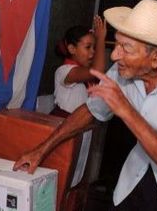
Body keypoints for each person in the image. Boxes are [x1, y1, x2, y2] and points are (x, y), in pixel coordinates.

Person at [14, 0, 157, 211]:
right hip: (140, 172)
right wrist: (41, 150)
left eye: (126, 48)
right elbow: (89, 111)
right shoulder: (122, 72)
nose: (114, 55)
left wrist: (125, 109)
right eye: (117, 44)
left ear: (156, 57)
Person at [51, 16, 106, 189]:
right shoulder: (64, 71)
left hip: (81, 131)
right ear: (72, 48)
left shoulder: (82, 75)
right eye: (88, 47)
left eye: (94, 48)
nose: (92, 53)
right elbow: (96, 71)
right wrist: (102, 39)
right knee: (62, 180)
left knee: (76, 180)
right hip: (66, 132)